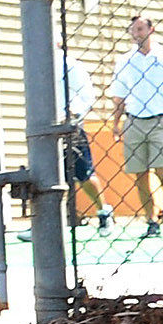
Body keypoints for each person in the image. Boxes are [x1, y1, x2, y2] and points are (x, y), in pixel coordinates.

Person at [109, 17, 163, 238]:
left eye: (140, 29)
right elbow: (120, 95)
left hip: (162, 118)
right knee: (140, 174)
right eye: (132, 30)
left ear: (151, 30)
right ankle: (152, 221)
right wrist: (116, 123)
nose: (136, 34)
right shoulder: (125, 61)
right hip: (134, 119)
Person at [60, 47, 107, 231]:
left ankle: (103, 211)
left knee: (84, 175)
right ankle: (43, 224)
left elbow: (87, 95)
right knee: (44, 176)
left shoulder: (71, 66)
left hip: (70, 128)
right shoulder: (37, 67)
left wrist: (74, 112)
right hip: (44, 130)